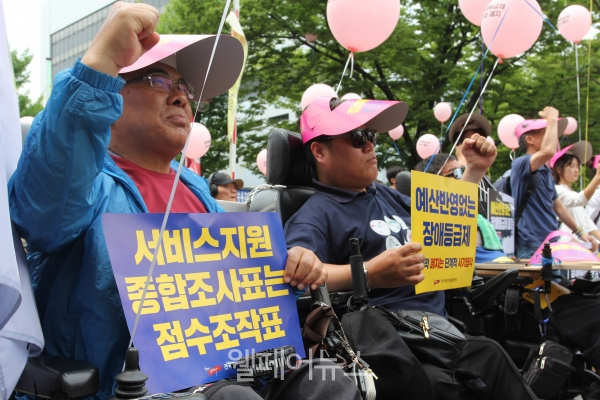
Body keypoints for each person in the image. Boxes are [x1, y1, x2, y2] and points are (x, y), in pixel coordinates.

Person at [8, 3, 352, 399]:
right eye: (158, 80)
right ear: (111, 93)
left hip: (230, 369)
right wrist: (100, 62)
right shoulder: (82, 181)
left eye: (186, 88)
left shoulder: (197, 191)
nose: (180, 98)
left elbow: (237, 296)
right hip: (121, 386)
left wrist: (292, 269)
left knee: (327, 379)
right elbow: (41, 212)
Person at [284, 96, 538, 400]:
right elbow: (300, 268)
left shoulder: (387, 196)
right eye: (357, 137)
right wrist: (369, 274)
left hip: (439, 331)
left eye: (371, 136)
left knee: (492, 354)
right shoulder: (316, 212)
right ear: (320, 150)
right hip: (389, 344)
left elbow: (446, 227)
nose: (369, 146)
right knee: (438, 382)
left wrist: (474, 171)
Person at [511, 108, 594, 258]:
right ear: (530, 139)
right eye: (547, 132)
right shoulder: (521, 163)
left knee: (556, 282)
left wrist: (580, 232)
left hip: (552, 242)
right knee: (539, 282)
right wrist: (552, 119)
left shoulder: (545, 171)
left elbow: (558, 207)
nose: (554, 139)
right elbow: (548, 152)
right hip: (532, 244)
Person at [415, 154, 510, 263]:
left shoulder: (477, 215)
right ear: (434, 182)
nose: (466, 175)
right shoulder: (432, 221)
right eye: (456, 172)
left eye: (463, 170)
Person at [550, 141, 600, 246]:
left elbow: (589, 224)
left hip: (579, 246)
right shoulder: (556, 190)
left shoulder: (569, 192)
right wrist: (597, 177)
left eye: (577, 166)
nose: (576, 170)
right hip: (566, 246)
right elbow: (579, 199)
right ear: (559, 169)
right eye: (572, 166)